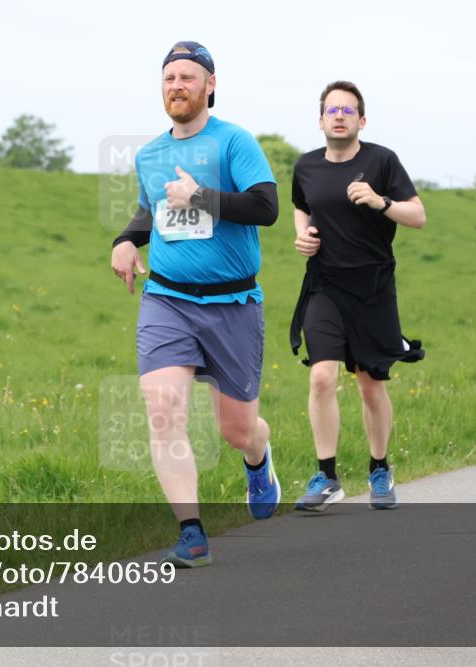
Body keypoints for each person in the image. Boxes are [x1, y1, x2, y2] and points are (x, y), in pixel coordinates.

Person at [110, 41, 280, 567]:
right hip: (168, 302)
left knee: (236, 430)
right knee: (163, 413)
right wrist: (124, 240)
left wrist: (202, 196)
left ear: (210, 85)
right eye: (169, 78)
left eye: (188, 77)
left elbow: (266, 207)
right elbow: (153, 209)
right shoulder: (150, 155)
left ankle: (259, 459)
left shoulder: (235, 142)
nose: (177, 86)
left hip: (233, 305)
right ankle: (192, 533)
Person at [288, 80, 426, 512]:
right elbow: (300, 205)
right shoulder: (307, 166)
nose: (340, 116)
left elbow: (418, 216)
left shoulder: (382, 161)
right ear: (321, 120)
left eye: (349, 110)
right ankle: (327, 477)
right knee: (322, 377)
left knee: (370, 387)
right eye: (333, 110)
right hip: (325, 286)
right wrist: (302, 235)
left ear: (362, 120)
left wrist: (380, 201)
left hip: (373, 289)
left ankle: (380, 468)